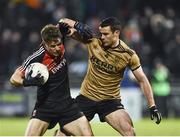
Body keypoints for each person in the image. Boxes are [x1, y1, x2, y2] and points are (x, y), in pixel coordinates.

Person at [55, 17, 162, 136]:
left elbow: (142, 80)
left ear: (116, 33)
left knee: (129, 131)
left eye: (106, 34)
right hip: (86, 98)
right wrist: (73, 27)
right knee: (63, 132)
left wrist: (152, 106)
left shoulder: (128, 55)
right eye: (101, 33)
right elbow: (64, 23)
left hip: (110, 101)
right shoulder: (93, 41)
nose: (102, 37)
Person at [10, 24, 93, 136]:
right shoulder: (36, 58)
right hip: (45, 108)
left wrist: (74, 25)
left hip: (67, 106)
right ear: (44, 44)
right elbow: (14, 78)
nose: (57, 48)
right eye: (52, 46)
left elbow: (62, 22)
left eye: (59, 44)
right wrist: (27, 82)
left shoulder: (59, 36)